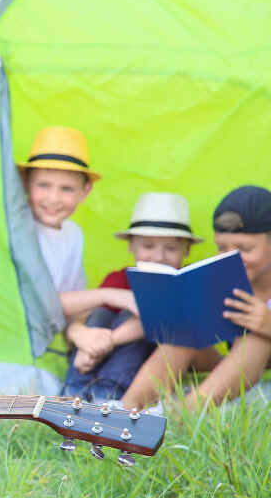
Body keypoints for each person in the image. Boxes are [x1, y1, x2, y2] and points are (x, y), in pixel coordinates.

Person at [121, 186, 271, 410]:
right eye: (222, 247)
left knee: (256, 339)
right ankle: (129, 408)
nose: (232, 256)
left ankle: (182, 417)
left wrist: (267, 324)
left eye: (245, 248)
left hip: (257, 371)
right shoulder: (226, 277)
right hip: (237, 375)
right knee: (186, 331)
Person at [62, 193, 201, 402]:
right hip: (94, 359)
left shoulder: (186, 282)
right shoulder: (120, 278)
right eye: (148, 246)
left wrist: (106, 341)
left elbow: (154, 323)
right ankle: (74, 390)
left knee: (135, 316)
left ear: (187, 250)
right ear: (130, 246)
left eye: (171, 248)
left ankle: (107, 394)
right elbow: (81, 316)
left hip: (144, 363)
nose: (158, 257)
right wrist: (84, 340)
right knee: (99, 314)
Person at [17, 126, 140, 333]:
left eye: (67, 189)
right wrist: (109, 295)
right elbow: (35, 305)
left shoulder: (73, 234)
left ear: (85, 192)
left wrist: (79, 335)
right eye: (43, 185)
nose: (53, 199)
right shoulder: (19, 232)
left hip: (51, 339)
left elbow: (74, 306)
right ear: (25, 184)